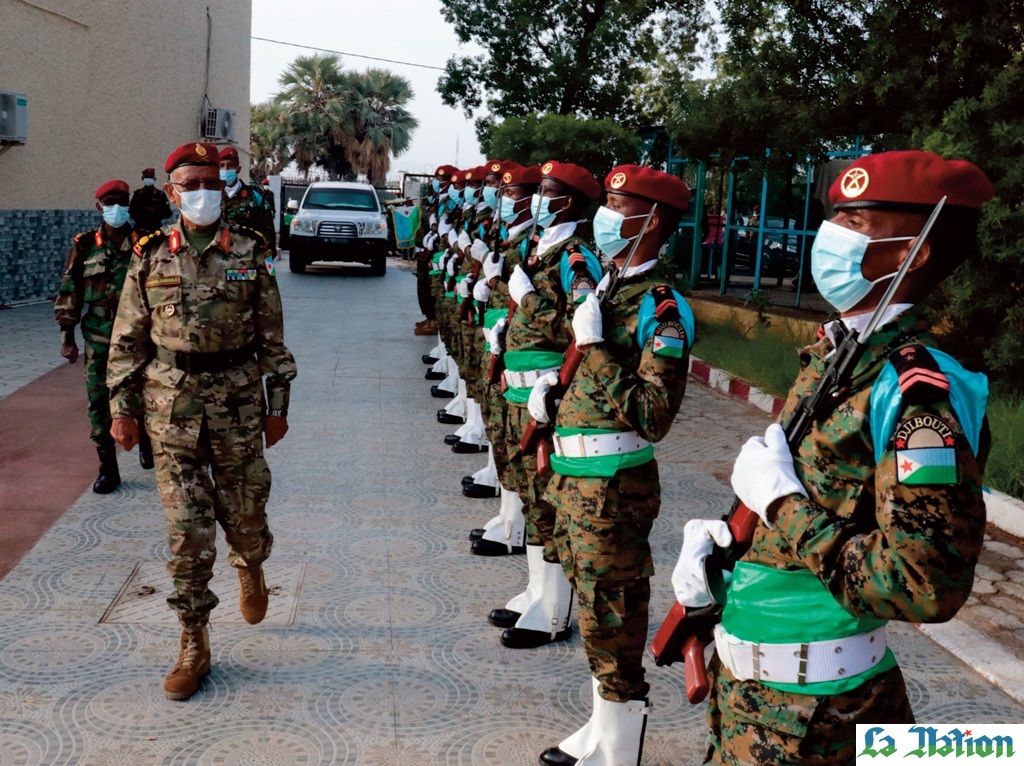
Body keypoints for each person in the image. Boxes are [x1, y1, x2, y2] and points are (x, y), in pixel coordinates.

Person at [671, 150, 994, 764]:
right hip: (752, 699)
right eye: (835, 218)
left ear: (911, 252)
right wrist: (727, 553)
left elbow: (925, 585)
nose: (831, 238)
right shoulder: (838, 358)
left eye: (856, 224)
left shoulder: (916, 393)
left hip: (818, 717)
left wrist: (781, 504)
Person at [106, 142, 297, 701]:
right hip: (170, 409)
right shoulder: (149, 256)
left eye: (211, 182)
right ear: (172, 192)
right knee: (186, 534)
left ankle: (251, 562)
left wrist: (278, 405)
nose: (203, 192)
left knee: (245, 513)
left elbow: (272, 339)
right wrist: (122, 409)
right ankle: (194, 641)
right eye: (191, 184)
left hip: (238, 406)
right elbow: (126, 341)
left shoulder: (251, 252)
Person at [533, 165, 695, 766]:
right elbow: (594, 385)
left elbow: (653, 414)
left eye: (618, 204)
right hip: (577, 481)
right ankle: (603, 725)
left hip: (613, 490)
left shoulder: (662, 308)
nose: (605, 215)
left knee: (614, 615)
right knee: (593, 612)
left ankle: (620, 744)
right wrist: (553, 397)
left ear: (650, 221)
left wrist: (597, 349)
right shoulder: (608, 286)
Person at [490, 160, 604, 649]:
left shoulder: (576, 258)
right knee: (532, 501)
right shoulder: (543, 245)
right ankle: (537, 592)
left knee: (546, 506)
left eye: (548, 191)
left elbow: (581, 332)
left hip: (546, 395)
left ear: (569, 202)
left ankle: (554, 611)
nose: (539, 197)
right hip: (520, 392)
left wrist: (529, 298)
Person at [55, 179, 154, 494]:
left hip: (139, 336)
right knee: (99, 401)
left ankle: (146, 440)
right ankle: (107, 468)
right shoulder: (85, 245)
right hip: (98, 338)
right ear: (99, 206)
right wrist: (66, 336)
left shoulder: (145, 243)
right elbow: (71, 291)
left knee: (144, 392)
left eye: (122, 202)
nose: (117, 209)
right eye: (110, 203)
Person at [218, 146, 277, 251]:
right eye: (221, 166)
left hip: (246, 261)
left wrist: (265, 263)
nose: (225, 170)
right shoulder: (212, 196)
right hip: (216, 259)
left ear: (238, 169)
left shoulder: (255, 197)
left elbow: (268, 235)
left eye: (230, 166)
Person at [129, 168, 172, 233]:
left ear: (154, 179)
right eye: (147, 177)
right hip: (140, 229)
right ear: (142, 178)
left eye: (150, 177)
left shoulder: (160, 195)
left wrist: (157, 210)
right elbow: (131, 212)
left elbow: (168, 214)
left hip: (156, 230)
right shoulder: (137, 194)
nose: (148, 179)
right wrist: (144, 210)